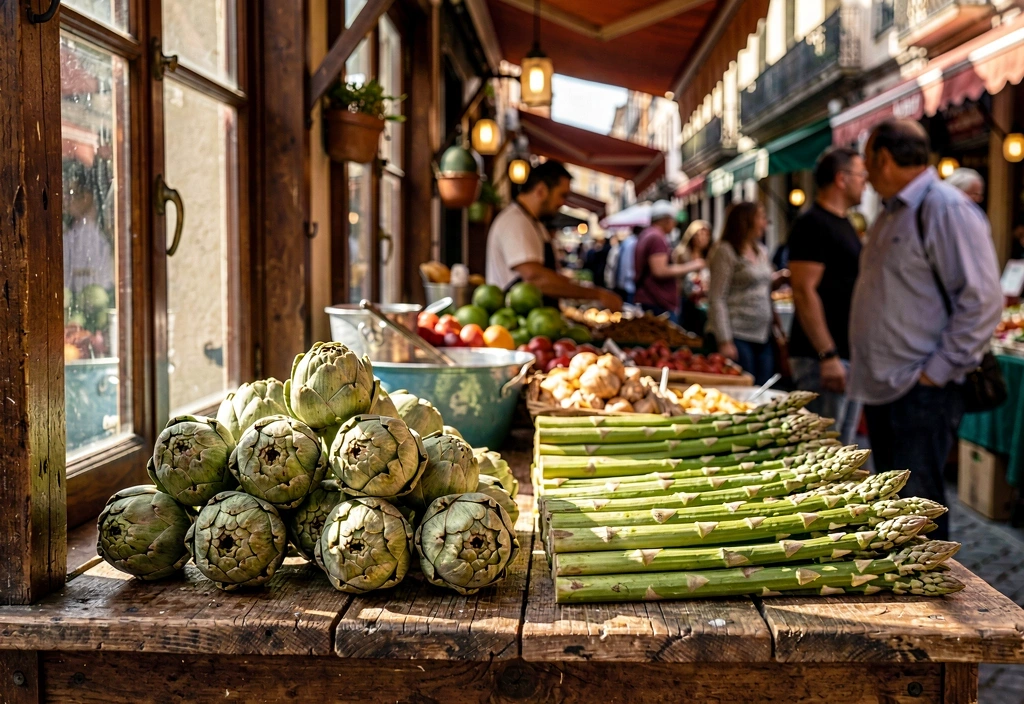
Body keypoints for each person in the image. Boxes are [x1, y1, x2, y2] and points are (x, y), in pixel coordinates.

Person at [849, 119, 1003, 540]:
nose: (863, 176)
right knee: (896, 508)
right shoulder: (891, 212)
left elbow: (982, 301)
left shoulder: (944, 208)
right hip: (888, 385)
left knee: (918, 511)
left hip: (920, 389)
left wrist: (934, 372)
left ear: (883, 158)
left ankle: (933, 599)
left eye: (866, 163)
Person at [788, 147, 867, 445]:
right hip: (820, 358)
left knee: (842, 449)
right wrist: (827, 354)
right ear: (841, 179)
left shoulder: (845, 222)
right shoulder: (813, 224)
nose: (866, 182)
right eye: (861, 175)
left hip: (844, 354)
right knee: (822, 449)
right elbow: (804, 291)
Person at [486, 160, 622, 311]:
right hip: (516, 323)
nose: (562, 203)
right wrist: (597, 294)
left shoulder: (534, 223)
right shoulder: (515, 221)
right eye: (561, 195)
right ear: (541, 190)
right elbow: (535, 278)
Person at [707, 201, 776, 384]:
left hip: (763, 334)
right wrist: (725, 340)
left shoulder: (761, 250)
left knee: (763, 388)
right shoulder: (725, 251)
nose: (765, 223)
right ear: (747, 221)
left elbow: (762, 284)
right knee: (745, 389)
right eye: (761, 217)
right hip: (737, 333)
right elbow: (716, 297)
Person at [634, 201, 705, 320]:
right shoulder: (657, 237)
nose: (675, 224)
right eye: (673, 220)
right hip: (657, 301)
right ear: (667, 220)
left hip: (649, 298)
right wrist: (693, 265)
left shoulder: (647, 234)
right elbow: (660, 271)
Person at [673, 220, 712, 334]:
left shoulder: (710, 255)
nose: (702, 238)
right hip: (685, 301)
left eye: (705, 235)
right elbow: (677, 278)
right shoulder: (682, 253)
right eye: (698, 234)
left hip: (703, 301)